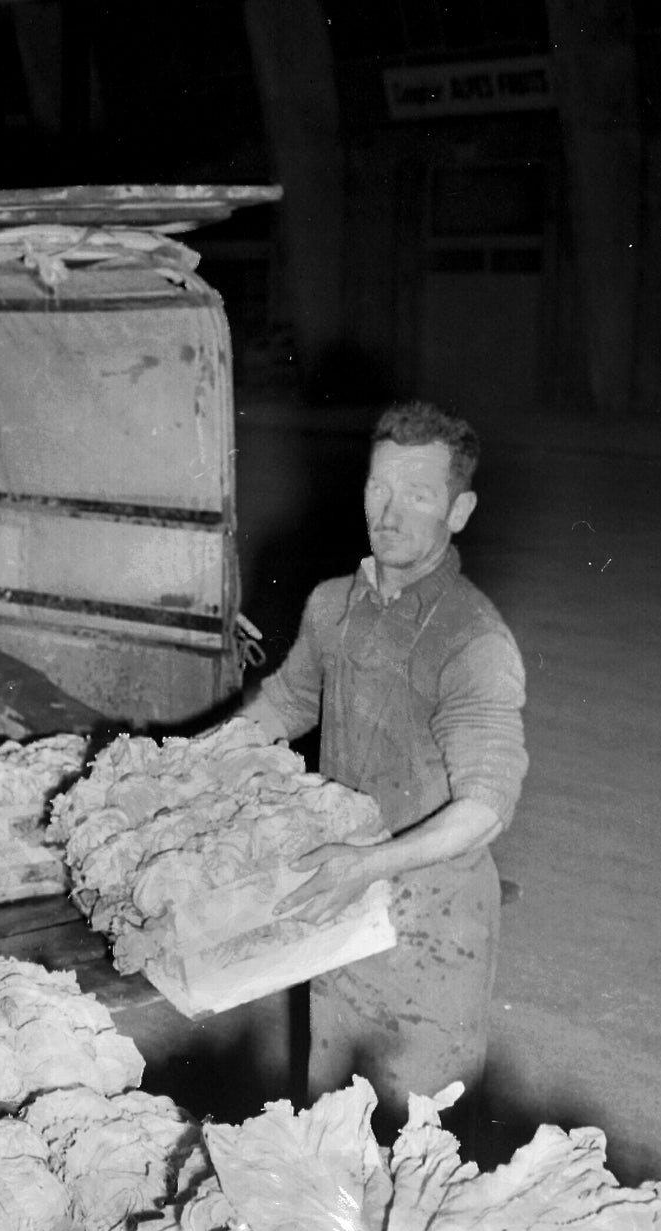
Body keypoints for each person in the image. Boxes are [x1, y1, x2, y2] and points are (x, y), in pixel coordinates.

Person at [239, 400, 527, 1125]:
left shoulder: (472, 641)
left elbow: (486, 807)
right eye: (379, 489)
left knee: (421, 1164)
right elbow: (283, 705)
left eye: (420, 495)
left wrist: (369, 865)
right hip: (344, 916)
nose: (390, 514)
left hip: (433, 938)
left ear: (459, 511)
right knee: (331, 1147)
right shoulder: (334, 605)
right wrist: (182, 766)